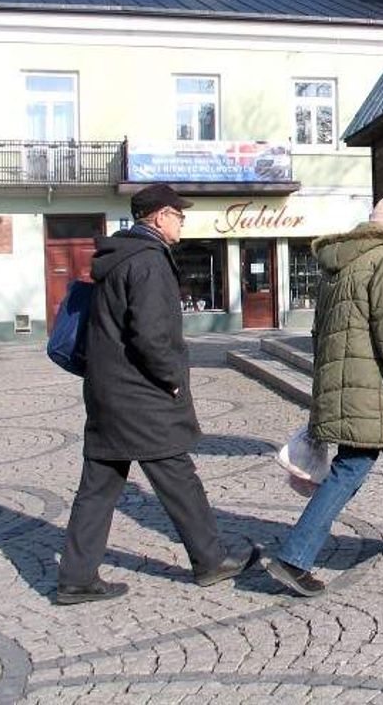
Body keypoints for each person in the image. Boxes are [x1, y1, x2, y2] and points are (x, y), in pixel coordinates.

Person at [56, 183, 259, 605]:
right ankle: (211, 560)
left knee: (98, 486)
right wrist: (172, 378)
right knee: (178, 478)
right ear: (159, 217)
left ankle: (76, 577)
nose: (183, 221)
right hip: (141, 394)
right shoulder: (149, 262)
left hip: (107, 391)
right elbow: (151, 334)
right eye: (179, 214)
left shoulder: (117, 256)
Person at [267, 194, 383, 597]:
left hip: (346, 381)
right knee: (352, 466)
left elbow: (320, 333)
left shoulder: (340, 263)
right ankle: (295, 557)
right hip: (375, 386)